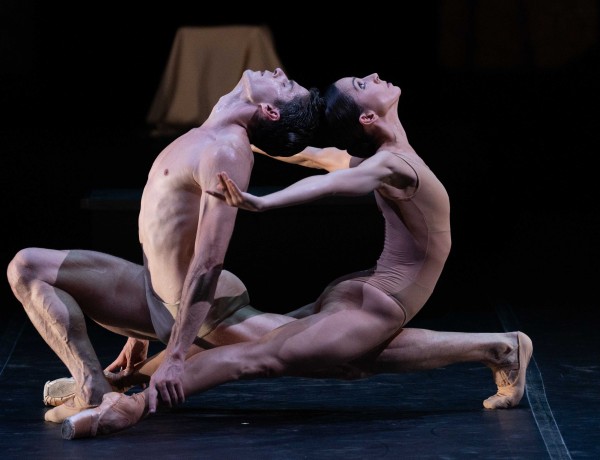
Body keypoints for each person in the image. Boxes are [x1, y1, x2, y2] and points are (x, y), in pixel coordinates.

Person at [57, 72, 533, 440]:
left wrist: (264, 196)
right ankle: (129, 401)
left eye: (361, 80)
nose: (373, 77)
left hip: (366, 296)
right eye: (362, 84)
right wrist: (244, 132)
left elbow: (332, 177)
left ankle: (127, 398)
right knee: (261, 355)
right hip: (372, 300)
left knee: (273, 355)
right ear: (368, 118)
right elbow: (317, 162)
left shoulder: (388, 163)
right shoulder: (384, 161)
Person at [6, 68, 323, 424]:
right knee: (28, 267)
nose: (279, 72)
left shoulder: (226, 150)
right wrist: (136, 336)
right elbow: (163, 226)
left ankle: (382, 309)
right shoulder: (205, 134)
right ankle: (92, 385)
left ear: (270, 111)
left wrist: (175, 355)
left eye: (285, 84)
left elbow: (209, 260)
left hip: (205, 312)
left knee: (337, 347)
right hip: (153, 294)